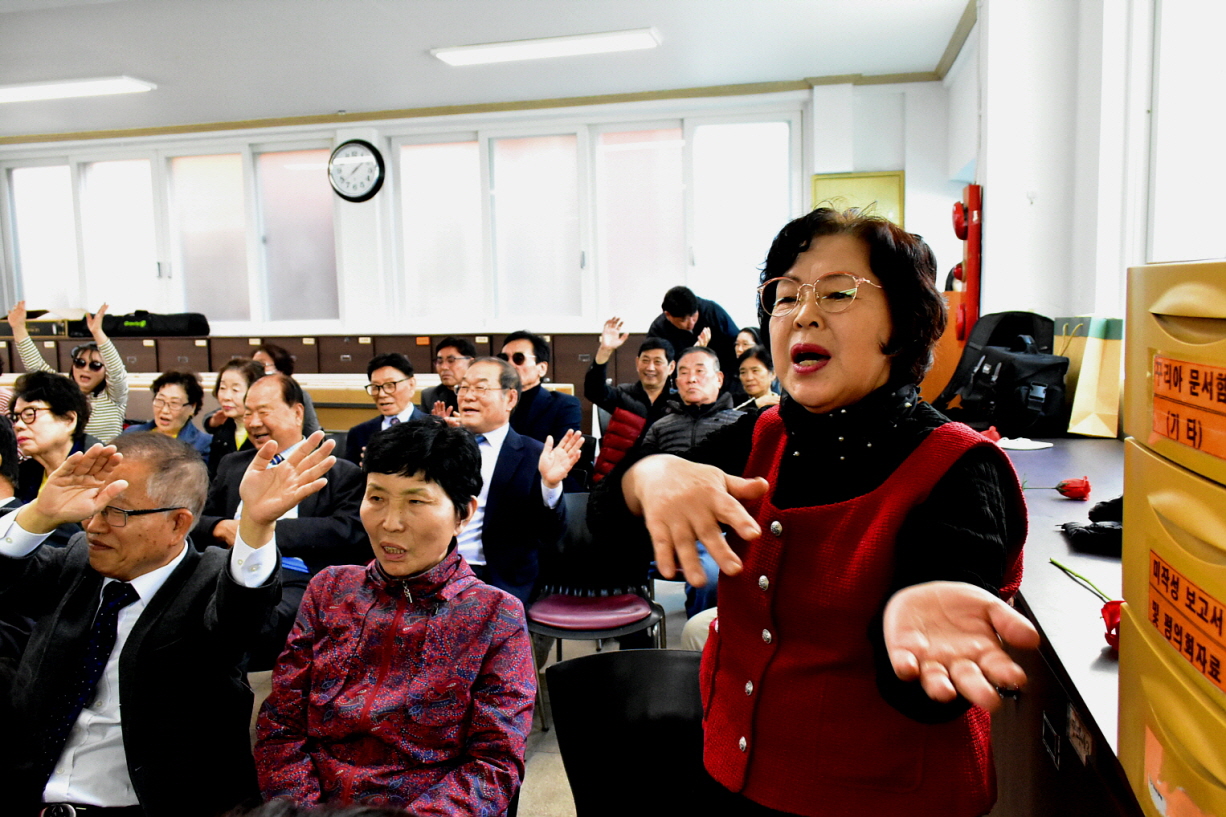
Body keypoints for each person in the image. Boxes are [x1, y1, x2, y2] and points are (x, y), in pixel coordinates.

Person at [592, 207, 1038, 816]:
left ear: (903, 323)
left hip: (883, 802)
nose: (803, 313)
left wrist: (910, 630)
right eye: (784, 295)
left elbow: (928, 698)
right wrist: (648, 476)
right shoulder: (755, 435)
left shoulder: (959, 469)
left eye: (837, 291)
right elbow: (603, 539)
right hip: (731, 777)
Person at [0, 431, 333, 817]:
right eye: (93, 508)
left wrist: (255, 526)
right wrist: (41, 512)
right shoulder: (78, 562)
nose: (93, 526)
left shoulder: (208, 581)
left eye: (116, 512)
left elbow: (242, 621)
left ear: (178, 524)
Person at [255, 419, 535, 813]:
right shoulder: (329, 590)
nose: (390, 523)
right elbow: (281, 726)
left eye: (416, 502)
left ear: (463, 514)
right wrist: (305, 812)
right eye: (377, 498)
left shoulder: (494, 615)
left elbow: (494, 764)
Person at [194, 373, 367, 668]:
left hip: (293, 576)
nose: (253, 422)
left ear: (297, 412)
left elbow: (348, 530)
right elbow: (196, 518)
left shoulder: (338, 471)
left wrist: (261, 529)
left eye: (264, 411)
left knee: (252, 625)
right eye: (248, 413)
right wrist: (220, 527)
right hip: (222, 566)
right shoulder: (234, 464)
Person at [454, 357, 582, 604]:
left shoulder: (534, 455)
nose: (468, 396)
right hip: (438, 571)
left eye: (480, 388)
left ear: (510, 399)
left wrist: (550, 485)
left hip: (499, 578)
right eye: (464, 387)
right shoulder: (437, 447)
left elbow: (550, 534)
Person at [637, 346, 743, 618]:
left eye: (700, 372)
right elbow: (642, 475)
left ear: (719, 379)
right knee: (616, 561)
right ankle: (638, 643)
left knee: (707, 579)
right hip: (661, 524)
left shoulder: (741, 425)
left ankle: (698, 644)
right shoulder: (661, 426)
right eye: (684, 373)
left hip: (716, 526)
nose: (691, 379)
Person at [7, 300, 128, 442]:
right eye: (80, 363)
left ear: (105, 372)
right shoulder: (63, 393)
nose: (86, 369)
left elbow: (117, 371)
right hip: (69, 459)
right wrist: (18, 327)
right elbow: (35, 367)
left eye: (95, 365)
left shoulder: (114, 396)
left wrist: (97, 332)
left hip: (106, 459)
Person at [584, 317, 675, 427]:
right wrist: (605, 351)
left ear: (671, 367)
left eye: (657, 362)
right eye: (645, 361)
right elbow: (593, 392)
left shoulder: (679, 401)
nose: (650, 368)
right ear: (637, 363)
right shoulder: (624, 395)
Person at [343, 352, 430, 465]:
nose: (382, 394)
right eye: (375, 387)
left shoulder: (433, 428)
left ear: (411, 384)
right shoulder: (359, 433)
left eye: (390, 385)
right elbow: (349, 479)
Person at [499, 330, 582, 445]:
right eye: (504, 359)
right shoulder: (492, 401)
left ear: (542, 368)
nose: (510, 365)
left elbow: (561, 453)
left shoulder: (563, 405)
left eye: (518, 358)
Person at [646, 286, 740, 383]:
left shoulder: (711, 311)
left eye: (694, 316)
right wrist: (692, 353)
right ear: (668, 315)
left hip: (724, 376)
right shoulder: (658, 331)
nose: (691, 323)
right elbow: (662, 368)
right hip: (685, 383)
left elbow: (736, 341)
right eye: (683, 320)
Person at [122, 369, 213, 455]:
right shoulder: (132, 433)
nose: (165, 410)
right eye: (160, 401)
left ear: (192, 407)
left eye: (174, 403)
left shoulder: (203, 444)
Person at [205, 357, 266, 479]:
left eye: (235, 390)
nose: (226, 397)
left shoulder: (265, 433)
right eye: (222, 388)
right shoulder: (221, 431)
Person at [252, 342, 322, 436]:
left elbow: (312, 432)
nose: (255, 370)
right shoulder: (248, 394)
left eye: (261, 365)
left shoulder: (298, 395)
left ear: (281, 370)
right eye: (253, 366)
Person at [419, 336, 476, 415]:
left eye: (451, 361)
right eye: (439, 362)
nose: (444, 367)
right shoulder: (429, 396)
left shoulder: (483, 394)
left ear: (471, 362)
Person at [733, 345, 781, 411]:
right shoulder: (732, 401)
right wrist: (754, 404)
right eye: (743, 372)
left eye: (755, 371)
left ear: (772, 374)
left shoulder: (781, 405)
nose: (749, 378)